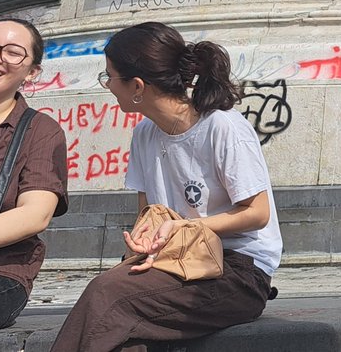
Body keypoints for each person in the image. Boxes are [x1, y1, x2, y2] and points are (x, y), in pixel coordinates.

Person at [52, 22, 281, 352]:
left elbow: (258, 213)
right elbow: (148, 215)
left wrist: (184, 226)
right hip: (172, 261)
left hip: (239, 272)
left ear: (137, 85)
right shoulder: (145, 134)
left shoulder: (223, 127)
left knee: (108, 294)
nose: (108, 86)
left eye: (110, 77)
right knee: (123, 334)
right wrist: (142, 243)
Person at [0, 17, 67, 330]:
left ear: (32, 71)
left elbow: (35, 215)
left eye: (12, 52)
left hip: (0, 273)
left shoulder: (41, 131)